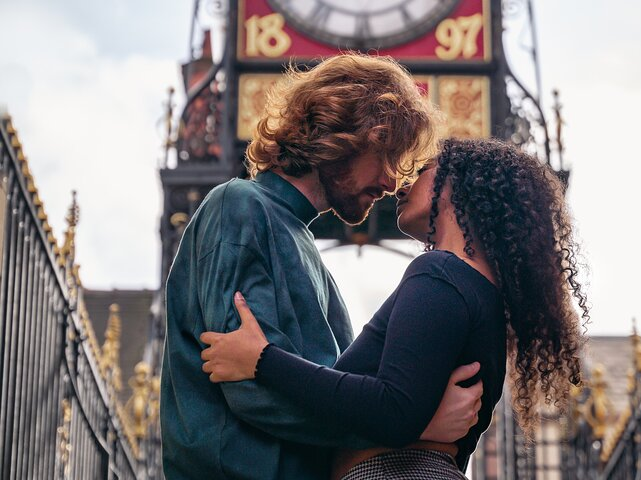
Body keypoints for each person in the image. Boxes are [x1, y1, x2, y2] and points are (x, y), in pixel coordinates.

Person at [161, 54, 485, 480]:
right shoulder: (239, 206)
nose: (390, 183)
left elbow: (321, 390)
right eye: (385, 156)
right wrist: (411, 426)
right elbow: (249, 389)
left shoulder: (298, 241)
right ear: (343, 132)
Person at [200, 138, 589, 479]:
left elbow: (393, 410)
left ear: (460, 185)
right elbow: (404, 413)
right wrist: (422, 425)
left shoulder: (440, 273)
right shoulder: (485, 302)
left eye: (421, 170)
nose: (401, 184)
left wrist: (262, 360)